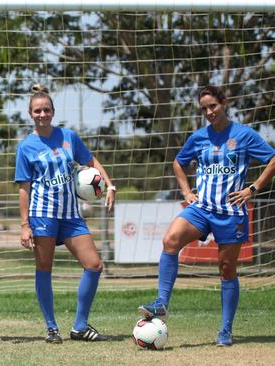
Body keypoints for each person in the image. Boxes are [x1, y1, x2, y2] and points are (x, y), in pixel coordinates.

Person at [138, 85, 275, 346]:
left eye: (213, 106)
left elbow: (273, 159)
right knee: (170, 240)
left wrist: (253, 188)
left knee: (226, 270)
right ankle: (161, 304)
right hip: (202, 209)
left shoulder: (244, 135)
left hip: (231, 213)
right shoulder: (199, 137)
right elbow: (178, 162)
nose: (209, 112)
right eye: (204, 108)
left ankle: (225, 329)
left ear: (224, 103)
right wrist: (187, 191)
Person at [15, 85, 116, 344]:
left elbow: (91, 162)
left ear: (53, 111)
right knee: (44, 268)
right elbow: (24, 188)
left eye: (46, 109)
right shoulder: (26, 147)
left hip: (71, 215)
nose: (42, 114)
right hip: (42, 216)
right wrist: (25, 225)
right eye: (37, 110)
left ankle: (80, 326)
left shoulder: (69, 137)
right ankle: (51, 327)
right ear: (30, 114)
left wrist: (109, 184)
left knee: (94, 265)